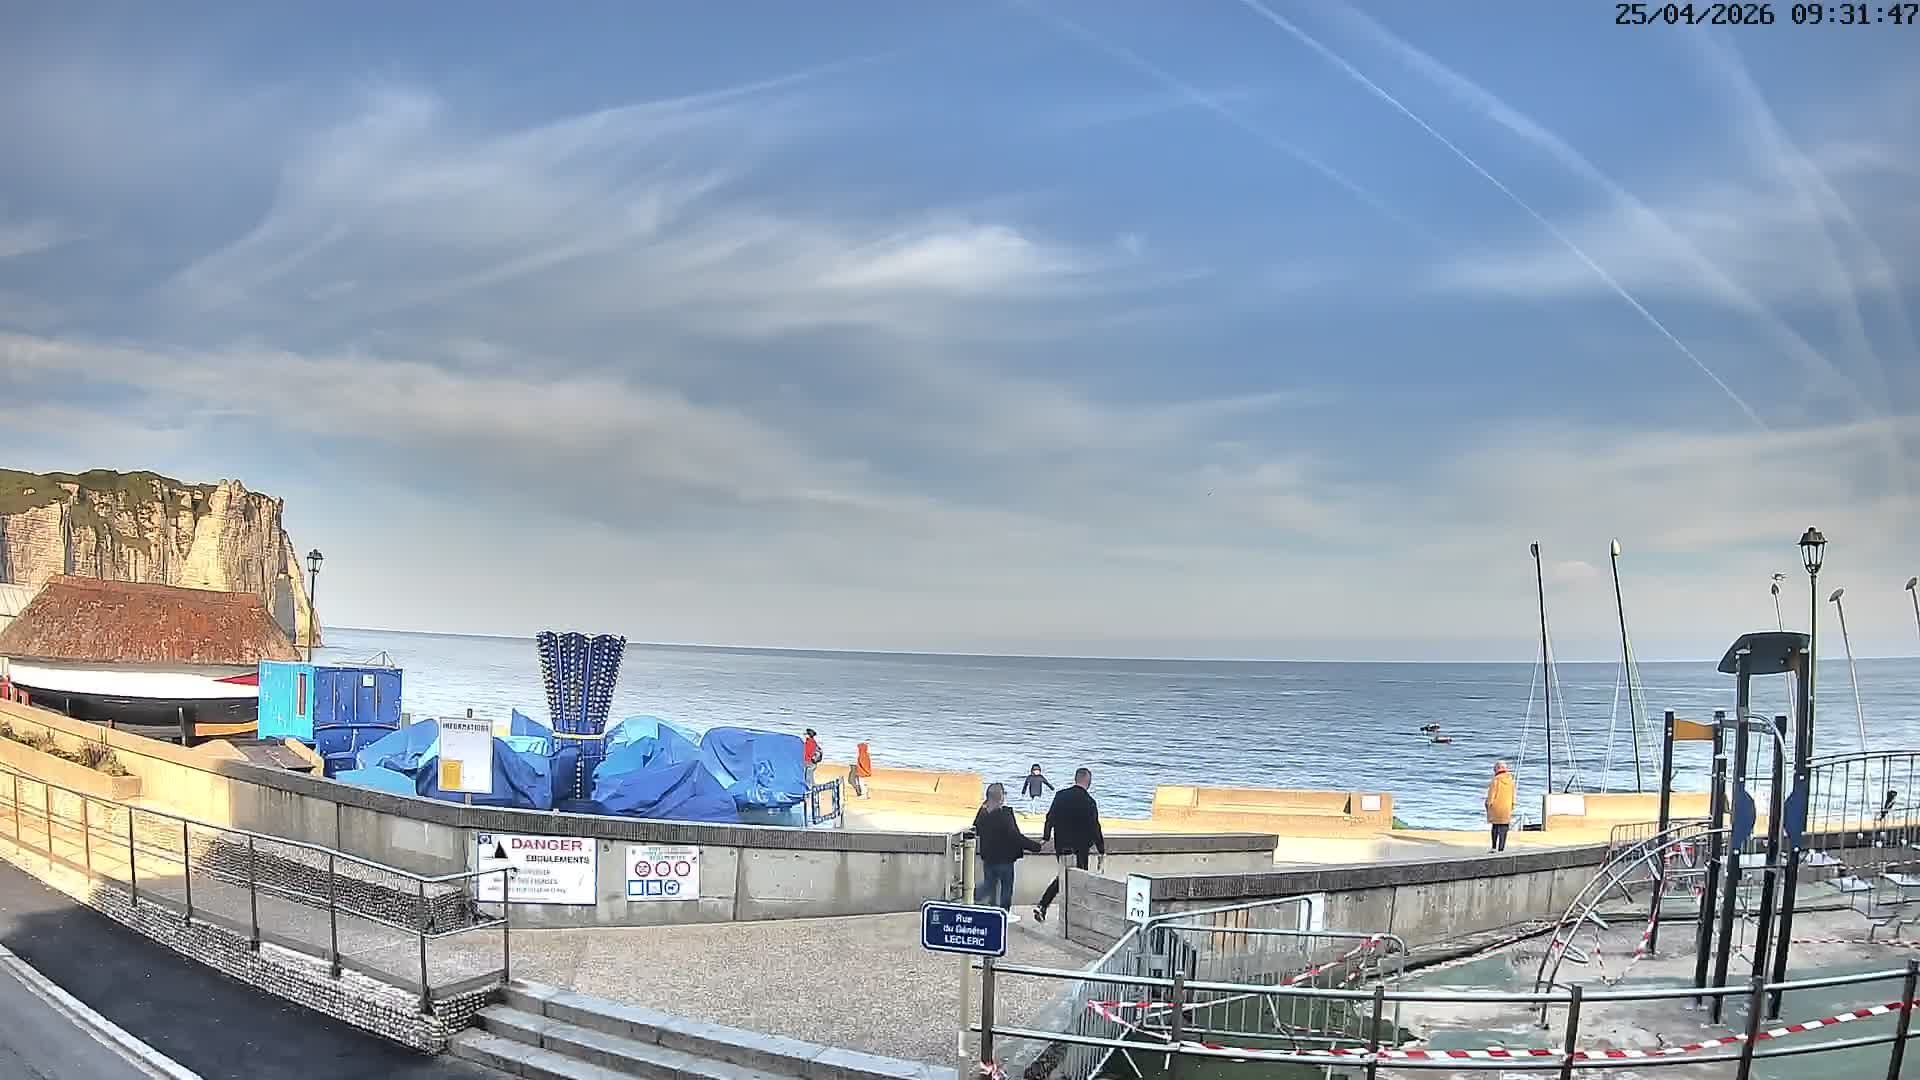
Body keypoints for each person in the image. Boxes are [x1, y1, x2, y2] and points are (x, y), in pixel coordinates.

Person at [1033, 767, 1104, 924]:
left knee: (1064, 876)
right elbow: (1095, 827)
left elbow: (1049, 818)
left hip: (1062, 846)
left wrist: (1046, 837)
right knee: (1077, 878)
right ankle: (1074, 914)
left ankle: (1044, 906)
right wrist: (1101, 850)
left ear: (1076, 779)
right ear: (1088, 781)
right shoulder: (1089, 802)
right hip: (1080, 848)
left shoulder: (1060, 796)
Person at [970, 782, 1041, 917]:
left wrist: (984, 806)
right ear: (1001, 797)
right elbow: (1015, 836)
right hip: (1005, 859)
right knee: (1006, 887)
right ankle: (1003, 912)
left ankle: (984, 905)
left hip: (989, 858)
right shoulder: (1005, 815)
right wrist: (1035, 846)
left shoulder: (983, 815)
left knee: (989, 885)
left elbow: (976, 828)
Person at [1486, 760, 1516, 852]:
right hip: (1506, 807)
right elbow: (1513, 795)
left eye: (1494, 769)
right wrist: (1512, 805)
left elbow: (1491, 795)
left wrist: (1488, 804)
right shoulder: (1511, 780)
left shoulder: (1495, 780)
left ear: (1497, 769)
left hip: (1496, 807)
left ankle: (1494, 847)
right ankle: (1501, 848)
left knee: (1495, 827)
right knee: (1504, 828)